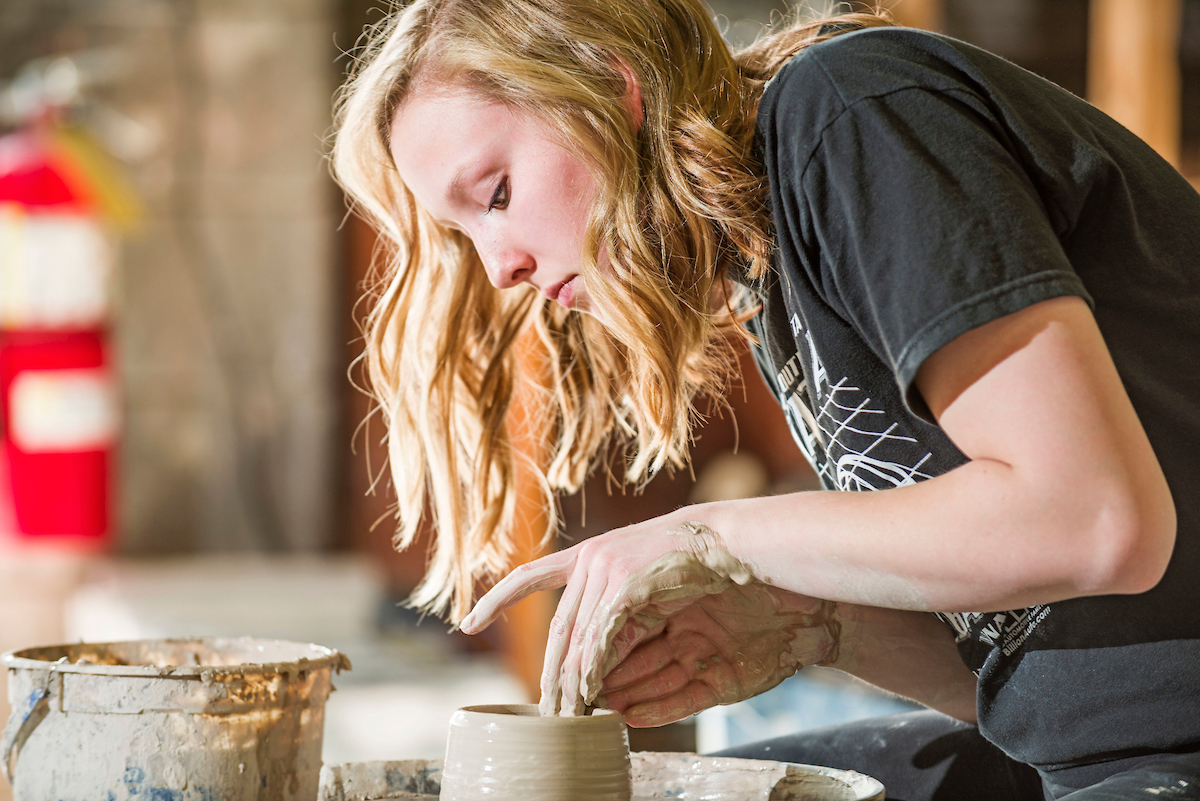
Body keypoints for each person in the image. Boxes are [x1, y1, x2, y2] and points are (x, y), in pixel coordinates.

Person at [332, 1, 1200, 798]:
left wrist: (710, 533)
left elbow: (1095, 520)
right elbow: (1047, 667)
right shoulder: (768, 260)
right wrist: (815, 628)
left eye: (497, 194)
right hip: (1105, 753)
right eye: (465, 233)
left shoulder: (854, 116)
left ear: (608, 87)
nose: (500, 268)